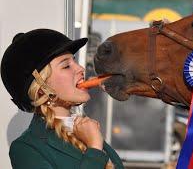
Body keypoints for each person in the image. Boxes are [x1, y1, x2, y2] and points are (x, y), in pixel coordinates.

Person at [1, 29, 124, 169]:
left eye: (75, 61)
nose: (81, 68)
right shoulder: (26, 149)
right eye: (66, 66)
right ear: (41, 88)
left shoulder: (87, 129)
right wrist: (95, 149)